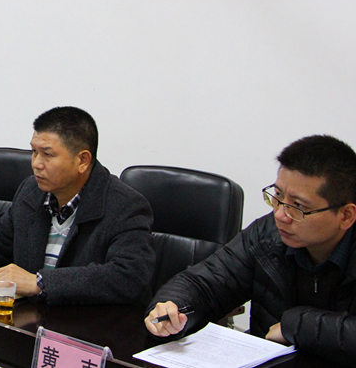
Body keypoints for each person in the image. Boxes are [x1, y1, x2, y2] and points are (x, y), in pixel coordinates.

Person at [0, 106, 155, 306]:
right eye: (34, 152)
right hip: (33, 320)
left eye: (48, 154)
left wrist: (40, 282)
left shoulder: (124, 205)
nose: (36, 163)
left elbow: (128, 276)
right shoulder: (32, 191)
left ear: (82, 160)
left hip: (89, 329)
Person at [145, 135, 356, 366]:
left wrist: (296, 325)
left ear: (346, 215)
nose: (280, 215)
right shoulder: (267, 235)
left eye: (298, 206)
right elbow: (204, 283)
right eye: (278, 196)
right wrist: (173, 306)